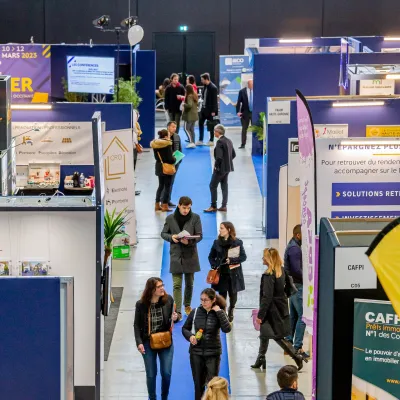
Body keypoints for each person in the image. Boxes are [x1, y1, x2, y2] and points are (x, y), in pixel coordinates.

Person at [251, 248, 304, 371]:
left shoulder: (268, 275)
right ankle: (261, 358)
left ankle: (296, 356)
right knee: (264, 334)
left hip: (271, 311)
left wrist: (260, 315)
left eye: (264, 257)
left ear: (269, 259)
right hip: (280, 308)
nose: (262, 259)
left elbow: (267, 297)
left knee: (277, 336)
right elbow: (289, 289)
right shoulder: (282, 271)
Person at [133, 277, 179, 400]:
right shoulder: (141, 304)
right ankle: (152, 398)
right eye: (159, 287)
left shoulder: (168, 300)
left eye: (162, 285)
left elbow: (174, 318)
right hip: (148, 342)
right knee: (151, 374)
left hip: (165, 340)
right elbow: (137, 325)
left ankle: (165, 397)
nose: (162, 288)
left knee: (166, 373)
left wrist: (175, 318)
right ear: (151, 290)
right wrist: (139, 343)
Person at [182, 288, 232, 400]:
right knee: (198, 385)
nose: (203, 302)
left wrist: (220, 312)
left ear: (213, 300)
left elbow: (227, 329)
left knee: (212, 385)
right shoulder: (195, 312)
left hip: (213, 353)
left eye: (206, 300)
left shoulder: (219, 313)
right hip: (196, 353)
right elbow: (185, 328)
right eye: (201, 300)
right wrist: (190, 336)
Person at [161, 196, 203, 320]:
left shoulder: (195, 218)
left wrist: (189, 242)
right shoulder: (170, 218)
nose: (186, 210)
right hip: (176, 255)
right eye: (184, 208)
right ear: (179, 205)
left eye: (188, 208)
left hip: (190, 255)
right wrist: (172, 237)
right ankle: (178, 311)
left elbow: (199, 235)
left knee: (189, 283)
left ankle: (187, 305)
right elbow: (163, 233)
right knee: (177, 285)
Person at [208, 222, 246, 322]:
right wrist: (214, 265)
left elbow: (243, 257)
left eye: (222, 228)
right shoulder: (216, 243)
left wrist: (233, 260)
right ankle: (223, 312)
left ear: (228, 230)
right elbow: (211, 256)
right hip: (221, 274)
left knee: (233, 296)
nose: (220, 230)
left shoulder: (237, 242)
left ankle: (231, 309)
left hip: (234, 274)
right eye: (220, 228)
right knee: (222, 295)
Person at [284, 225, 309, 360]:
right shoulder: (295, 249)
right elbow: (296, 270)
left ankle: (288, 343)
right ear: (298, 235)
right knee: (303, 316)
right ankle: (298, 346)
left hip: (292, 286)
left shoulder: (292, 245)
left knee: (293, 316)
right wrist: (309, 279)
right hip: (297, 286)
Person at [204, 125, 236, 213]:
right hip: (228, 168)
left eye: (214, 131)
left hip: (220, 169)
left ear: (218, 132)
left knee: (212, 186)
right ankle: (224, 206)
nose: (214, 133)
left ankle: (213, 206)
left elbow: (219, 157)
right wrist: (227, 162)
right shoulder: (228, 141)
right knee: (224, 186)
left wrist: (217, 166)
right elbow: (233, 154)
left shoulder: (220, 142)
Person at [150, 129, 176, 212]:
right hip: (167, 167)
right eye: (168, 135)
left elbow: (156, 157)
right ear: (165, 136)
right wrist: (175, 159)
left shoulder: (155, 144)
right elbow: (170, 159)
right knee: (167, 187)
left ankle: (157, 204)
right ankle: (165, 205)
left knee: (160, 186)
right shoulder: (167, 144)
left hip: (159, 166)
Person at [161, 121, 182, 208]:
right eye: (173, 127)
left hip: (175, 162)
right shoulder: (163, 136)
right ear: (168, 127)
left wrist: (180, 159)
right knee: (164, 183)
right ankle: (163, 200)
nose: (174, 128)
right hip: (166, 163)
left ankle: (168, 200)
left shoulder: (177, 136)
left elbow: (179, 148)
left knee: (171, 182)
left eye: (175, 127)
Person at [197, 72, 218, 146]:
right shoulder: (205, 86)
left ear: (206, 79)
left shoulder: (213, 88)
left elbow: (215, 101)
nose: (201, 81)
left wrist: (213, 111)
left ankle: (211, 140)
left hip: (210, 110)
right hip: (203, 109)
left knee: (211, 125)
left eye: (202, 79)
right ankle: (200, 139)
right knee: (200, 123)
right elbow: (203, 96)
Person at [236, 79, 253, 149]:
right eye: (251, 84)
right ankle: (243, 144)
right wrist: (238, 112)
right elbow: (238, 102)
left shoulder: (257, 90)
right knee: (244, 129)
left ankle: (257, 145)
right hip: (245, 113)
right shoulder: (242, 91)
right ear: (248, 84)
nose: (252, 86)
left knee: (255, 129)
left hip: (254, 113)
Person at [182, 84, 199, 148]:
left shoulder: (189, 96)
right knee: (192, 129)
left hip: (189, 116)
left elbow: (189, 105)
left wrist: (184, 104)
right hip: (194, 115)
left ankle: (191, 142)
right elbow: (196, 104)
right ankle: (193, 142)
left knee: (186, 129)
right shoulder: (194, 95)